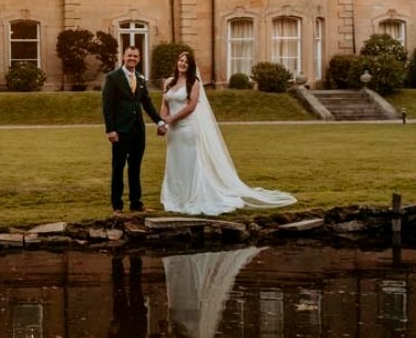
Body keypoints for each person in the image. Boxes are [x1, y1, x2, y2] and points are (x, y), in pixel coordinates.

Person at [160, 51, 297, 216]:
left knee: (190, 162)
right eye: (180, 60)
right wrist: (162, 123)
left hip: (187, 128)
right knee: (175, 163)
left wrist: (170, 119)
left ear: (190, 66)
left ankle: (192, 196)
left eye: (186, 62)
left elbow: (191, 107)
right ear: (177, 62)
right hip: (173, 131)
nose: (182, 63)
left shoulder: (193, 82)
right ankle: (175, 197)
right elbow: (164, 104)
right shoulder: (168, 82)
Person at [102, 45, 166, 213]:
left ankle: (136, 203)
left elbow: (147, 103)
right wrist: (110, 129)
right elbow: (107, 106)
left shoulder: (140, 78)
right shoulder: (113, 78)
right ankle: (117, 206)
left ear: (139, 58)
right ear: (123, 57)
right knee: (118, 167)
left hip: (138, 130)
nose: (132, 58)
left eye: (135, 56)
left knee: (135, 167)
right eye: (129, 55)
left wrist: (159, 121)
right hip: (120, 130)